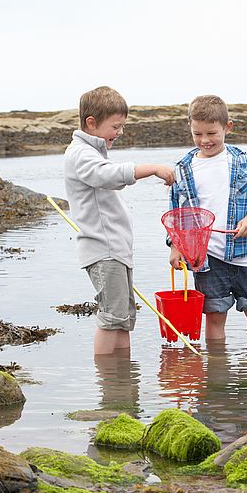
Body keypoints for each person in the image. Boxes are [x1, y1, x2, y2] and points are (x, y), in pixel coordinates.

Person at [64, 85, 175, 355]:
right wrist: (154, 169)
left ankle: (124, 380)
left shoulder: (94, 152)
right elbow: (109, 176)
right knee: (112, 318)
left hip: (116, 251)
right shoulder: (81, 154)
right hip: (103, 250)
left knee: (124, 319)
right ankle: (110, 387)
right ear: (91, 123)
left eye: (122, 126)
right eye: (116, 126)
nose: (120, 132)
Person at [169, 95, 247, 340]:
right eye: (198, 134)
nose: (205, 140)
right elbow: (176, 214)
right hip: (206, 257)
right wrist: (175, 247)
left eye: (212, 133)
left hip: (243, 252)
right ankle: (216, 375)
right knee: (214, 316)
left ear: (228, 127)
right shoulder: (183, 169)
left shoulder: (244, 162)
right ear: (190, 129)